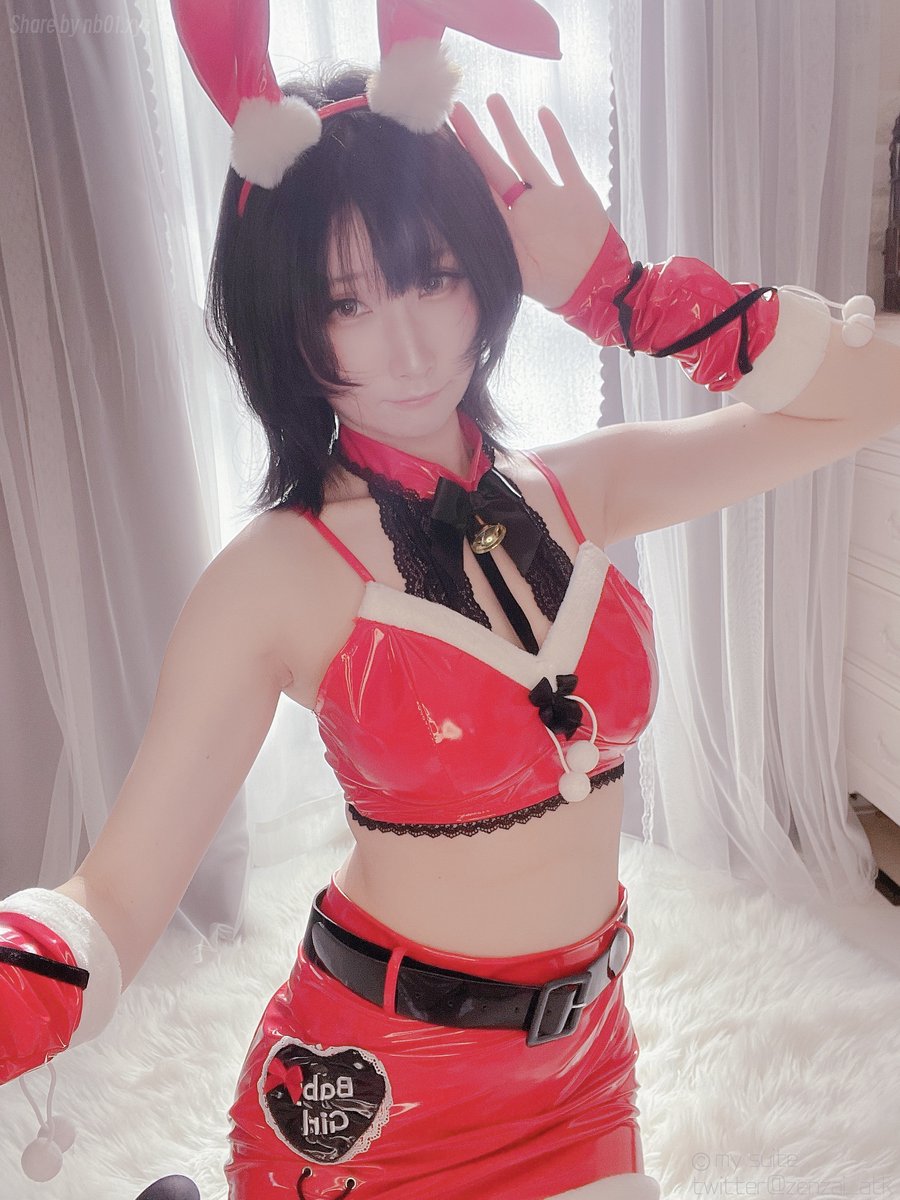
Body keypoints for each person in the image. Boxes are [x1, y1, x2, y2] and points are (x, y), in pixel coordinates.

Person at [2, 7, 896, 1199]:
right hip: (368, 1091)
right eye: (347, 304)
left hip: (582, 1075)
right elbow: (114, 897)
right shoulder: (274, 576)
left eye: (432, 276)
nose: (411, 347)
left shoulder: (585, 488)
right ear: (285, 323)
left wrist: (628, 294)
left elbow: (873, 392)